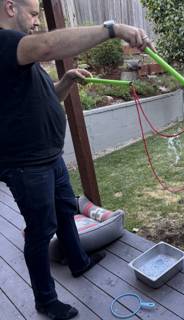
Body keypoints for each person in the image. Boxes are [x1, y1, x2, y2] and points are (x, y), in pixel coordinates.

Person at [0, 0, 153, 319]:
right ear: (10, 8)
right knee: (41, 231)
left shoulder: (19, 57)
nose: (36, 22)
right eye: (33, 13)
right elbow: (47, 45)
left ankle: (78, 260)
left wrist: (67, 79)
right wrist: (113, 29)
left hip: (48, 156)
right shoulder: (5, 43)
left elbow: (49, 97)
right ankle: (46, 300)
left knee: (66, 210)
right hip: (26, 164)